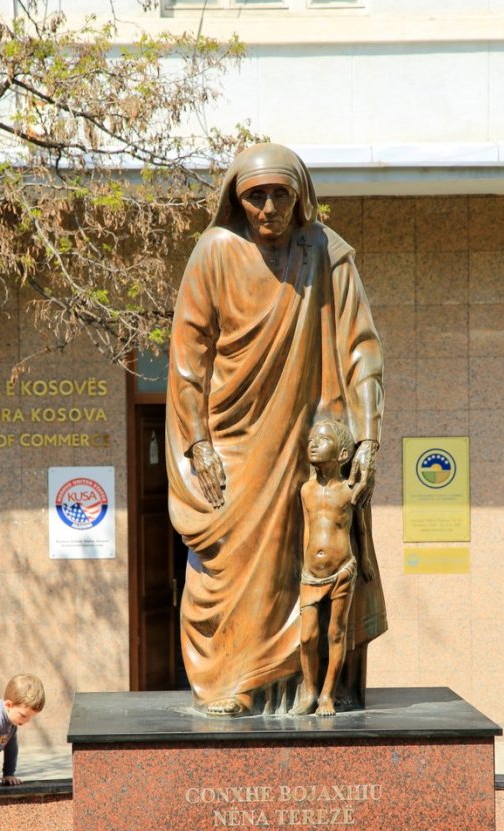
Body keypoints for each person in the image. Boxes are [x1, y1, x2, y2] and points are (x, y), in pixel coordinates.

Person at [166, 142, 387, 717]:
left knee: (305, 555)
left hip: (310, 434)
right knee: (230, 559)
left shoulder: (324, 252)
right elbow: (189, 358)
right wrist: (197, 442)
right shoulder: (213, 251)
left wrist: (366, 433)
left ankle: (306, 689)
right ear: (237, 201)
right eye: (255, 196)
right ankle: (232, 678)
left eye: (279, 194)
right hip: (232, 436)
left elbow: (361, 347)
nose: (268, 207)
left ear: (299, 196)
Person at [293, 421, 374, 718]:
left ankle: (327, 694)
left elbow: (360, 530)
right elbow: (306, 530)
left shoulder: (349, 490)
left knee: (335, 634)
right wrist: (306, 563)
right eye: (311, 439)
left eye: (322, 440)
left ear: (341, 454)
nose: (313, 444)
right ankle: (310, 689)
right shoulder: (306, 491)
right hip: (311, 574)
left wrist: (364, 559)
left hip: (342, 571)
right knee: (307, 637)